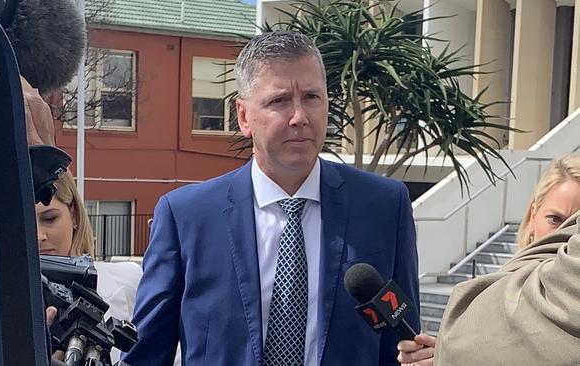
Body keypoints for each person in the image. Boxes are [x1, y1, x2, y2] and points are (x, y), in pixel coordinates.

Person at [124, 30, 420, 366]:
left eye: (312, 97)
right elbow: (146, 354)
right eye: (279, 101)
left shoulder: (384, 206)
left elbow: (403, 344)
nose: (299, 117)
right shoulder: (186, 216)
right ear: (244, 116)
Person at [397, 154, 580, 366]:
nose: (563, 234)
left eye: (573, 228)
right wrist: (451, 352)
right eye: (555, 219)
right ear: (533, 214)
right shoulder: (499, 289)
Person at [35, 169, 142, 364]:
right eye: (24, 223)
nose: (39, 235)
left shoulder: (129, 281)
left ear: (74, 215)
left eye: (49, 219)